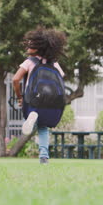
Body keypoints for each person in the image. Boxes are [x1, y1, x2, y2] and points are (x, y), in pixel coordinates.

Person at [12, 27, 66, 164]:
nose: (28, 45)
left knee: (35, 118)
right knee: (43, 128)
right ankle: (44, 156)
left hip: (33, 99)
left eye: (32, 43)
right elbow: (61, 77)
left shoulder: (30, 61)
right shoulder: (53, 63)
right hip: (50, 101)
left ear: (39, 47)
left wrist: (19, 97)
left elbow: (15, 79)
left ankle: (32, 117)